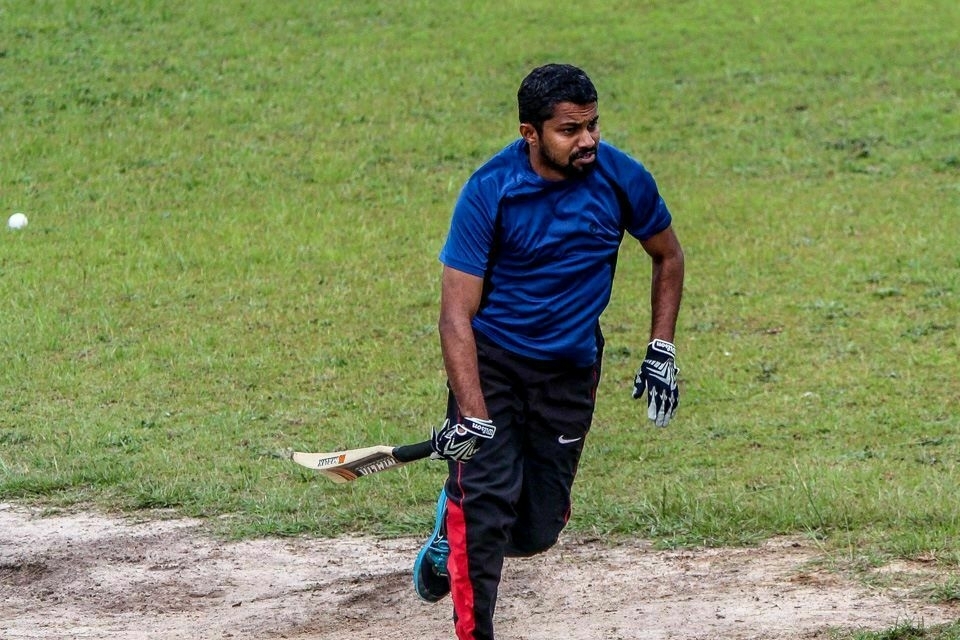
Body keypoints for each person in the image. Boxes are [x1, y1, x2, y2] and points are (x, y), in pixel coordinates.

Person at [413, 63, 685, 640]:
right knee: (484, 506)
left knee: (537, 529)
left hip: (569, 368)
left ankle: (450, 523)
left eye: (592, 126)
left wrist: (661, 347)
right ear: (530, 133)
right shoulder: (490, 191)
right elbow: (455, 314)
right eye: (569, 130)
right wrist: (474, 414)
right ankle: (467, 562)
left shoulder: (621, 178)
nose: (586, 141)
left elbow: (667, 255)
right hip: (494, 362)